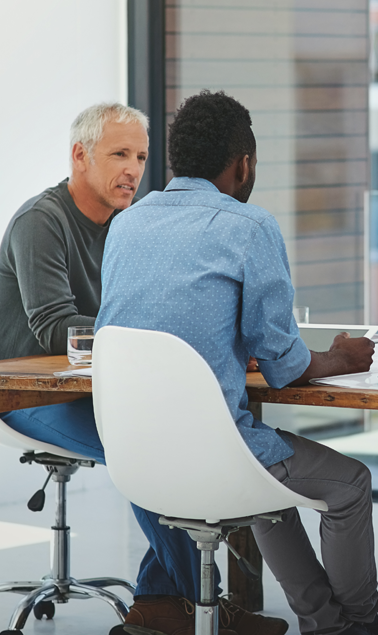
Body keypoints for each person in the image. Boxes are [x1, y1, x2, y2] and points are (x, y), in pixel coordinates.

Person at [96, 90, 378, 635]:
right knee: (348, 485)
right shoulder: (248, 227)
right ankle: (358, 627)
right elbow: (283, 364)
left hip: (133, 459)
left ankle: (328, 624)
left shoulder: (126, 224)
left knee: (270, 488)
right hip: (216, 454)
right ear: (243, 164)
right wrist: (341, 356)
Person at [0, 102, 272, 635]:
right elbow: (58, 328)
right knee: (144, 444)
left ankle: (160, 603)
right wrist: (162, 338)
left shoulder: (131, 223)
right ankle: (199, 602)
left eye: (142, 157)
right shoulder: (41, 221)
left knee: (192, 432)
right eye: (119, 154)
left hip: (105, 387)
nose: (133, 169)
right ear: (80, 156)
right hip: (32, 395)